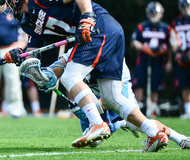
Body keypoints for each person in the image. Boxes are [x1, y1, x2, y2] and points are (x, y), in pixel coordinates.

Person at [0, 0, 169, 152]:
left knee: (70, 76)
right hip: (106, 33)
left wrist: (87, 17)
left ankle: (97, 124)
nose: (8, 6)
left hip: (97, 29)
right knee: (112, 98)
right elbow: (34, 49)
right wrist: (21, 55)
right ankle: (154, 133)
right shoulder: (28, 21)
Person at [45, 48, 190, 149]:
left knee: (138, 123)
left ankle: (180, 138)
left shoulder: (112, 52)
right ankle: (120, 123)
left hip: (118, 91)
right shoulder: (74, 52)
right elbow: (59, 69)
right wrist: (44, 77)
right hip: (93, 94)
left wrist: (91, 107)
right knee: (92, 142)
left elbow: (114, 96)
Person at [131, 1, 179, 117]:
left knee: (155, 85)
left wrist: (167, 57)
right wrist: (143, 47)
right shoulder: (142, 26)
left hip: (159, 61)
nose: (153, 16)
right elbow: (133, 42)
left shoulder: (166, 28)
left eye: (155, 13)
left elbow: (174, 44)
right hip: (143, 60)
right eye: (151, 13)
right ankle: (138, 109)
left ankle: (152, 108)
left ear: (160, 14)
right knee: (139, 84)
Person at [171, 0, 190, 119]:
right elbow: (172, 40)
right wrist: (177, 55)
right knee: (184, 85)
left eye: (187, 6)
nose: (185, 9)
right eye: (183, 6)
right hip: (182, 56)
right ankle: (188, 111)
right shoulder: (176, 22)